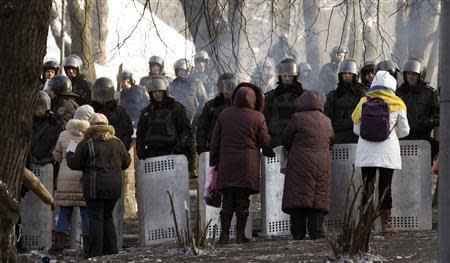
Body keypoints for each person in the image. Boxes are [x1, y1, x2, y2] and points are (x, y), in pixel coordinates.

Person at [210, 82, 273, 244]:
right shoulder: (258, 117)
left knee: (227, 200)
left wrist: (213, 162)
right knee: (242, 201)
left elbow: (215, 141)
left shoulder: (224, 114)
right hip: (247, 165)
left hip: (227, 164)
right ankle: (240, 235)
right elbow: (264, 140)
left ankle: (224, 235)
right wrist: (269, 150)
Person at [351, 71, 410, 233]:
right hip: (388, 152)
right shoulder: (398, 103)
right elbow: (405, 131)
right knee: (385, 187)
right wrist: (391, 132)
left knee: (367, 187)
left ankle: (365, 225)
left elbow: (356, 129)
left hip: (366, 152)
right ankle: (386, 225)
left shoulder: (363, 101)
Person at [67, 113, 131, 258]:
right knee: (107, 217)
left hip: (94, 187)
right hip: (114, 187)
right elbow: (126, 163)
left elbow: (74, 164)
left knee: (96, 218)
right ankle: (112, 250)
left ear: (91, 126)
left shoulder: (87, 143)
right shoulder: (117, 142)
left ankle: (96, 252)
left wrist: (69, 153)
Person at [281, 90, 334, 240]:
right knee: (318, 196)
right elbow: (331, 141)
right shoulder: (327, 120)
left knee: (299, 195)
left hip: (299, 163)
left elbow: (286, 139)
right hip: (322, 163)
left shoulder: (297, 118)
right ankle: (316, 231)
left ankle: (298, 232)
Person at [50, 107, 91, 255]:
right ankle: (88, 248)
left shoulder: (64, 134)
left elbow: (57, 156)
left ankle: (58, 247)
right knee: (86, 214)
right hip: (83, 180)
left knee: (64, 213)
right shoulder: (89, 136)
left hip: (64, 180)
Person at [136, 75, 193, 162]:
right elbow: (140, 135)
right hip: (152, 155)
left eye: (159, 91)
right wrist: (141, 152)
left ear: (165, 91)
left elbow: (185, 131)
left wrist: (178, 149)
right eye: (154, 92)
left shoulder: (176, 108)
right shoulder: (146, 112)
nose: (157, 94)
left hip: (173, 153)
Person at [396, 58, 440, 161]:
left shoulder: (429, 93)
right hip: (403, 137)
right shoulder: (399, 92)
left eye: (414, 74)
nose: (410, 77)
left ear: (420, 75)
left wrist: (425, 123)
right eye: (408, 74)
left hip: (422, 137)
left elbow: (437, 116)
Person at [263, 58, 305, 148]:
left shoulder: (303, 95)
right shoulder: (271, 96)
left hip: (296, 139)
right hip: (276, 139)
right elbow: (266, 118)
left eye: (290, 76)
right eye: (284, 76)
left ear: (295, 77)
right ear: (280, 76)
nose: (286, 79)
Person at [324, 58, 366, 144]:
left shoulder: (361, 93)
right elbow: (328, 117)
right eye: (344, 73)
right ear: (340, 75)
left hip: (357, 136)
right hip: (338, 135)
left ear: (354, 75)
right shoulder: (333, 95)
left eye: (349, 73)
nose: (347, 76)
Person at [196, 73, 237, 154]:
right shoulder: (211, 106)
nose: (227, 91)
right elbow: (202, 129)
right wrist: (203, 150)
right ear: (219, 88)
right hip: (215, 149)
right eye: (224, 87)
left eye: (230, 87)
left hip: (235, 148)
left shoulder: (240, 105)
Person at [91, 77, 134, 151]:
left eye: (103, 94)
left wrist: (122, 150)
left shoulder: (119, 111)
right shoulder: (91, 110)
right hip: (94, 152)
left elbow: (127, 132)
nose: (100, 98)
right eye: (98, 94)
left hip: (115, 151)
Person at [28, 91, 64, 168]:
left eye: (42, 108)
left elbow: (58, 142)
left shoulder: (55, 123)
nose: (40, 111)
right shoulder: (28, 122)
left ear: (47, 108)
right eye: (37, 108)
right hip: (29, 162)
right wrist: (29, 155)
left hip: (48, 164)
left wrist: (50, 157)